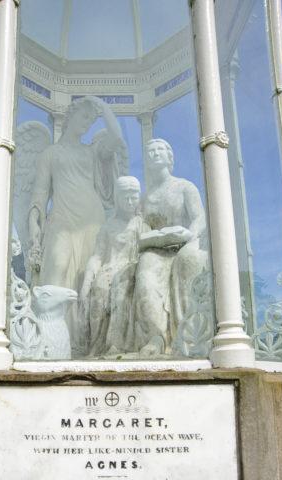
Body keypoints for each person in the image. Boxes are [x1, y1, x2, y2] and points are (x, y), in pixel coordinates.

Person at [28, 96, 125, 294]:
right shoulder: (50, 153)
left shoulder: (92, 152)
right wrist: (33, 223)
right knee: (58, 264)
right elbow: (40, 193)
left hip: (92, 219)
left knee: (89, 278)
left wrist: (104, 107)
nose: (87, 123)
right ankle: (50, 323)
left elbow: (116, 137)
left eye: (91, 121)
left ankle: (83, 324)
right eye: (84, 117)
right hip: (62, 218)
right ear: (71, 116)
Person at [133, 138, 208, 356]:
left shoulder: (185, 187)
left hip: (184, 244)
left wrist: (189, 235)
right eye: (150, 151)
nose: (155, 154)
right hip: (157, 249)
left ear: (169, 157)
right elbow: (140, 229)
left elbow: (200, 218)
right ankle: (157, 337)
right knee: (145, 273)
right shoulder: (145, 198)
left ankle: (188, 335)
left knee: (188, 259)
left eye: (159, 150)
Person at [79, 176, 143, 356]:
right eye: (125, 198)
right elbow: (98, 255)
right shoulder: (108, 226)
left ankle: (117, 345)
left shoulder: (142, 223)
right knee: (98, 290)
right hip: (109, 268)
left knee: (120, 291)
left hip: (132, 268)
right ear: (117, 198)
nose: (130, 202)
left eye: (134, 197)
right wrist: (88, 277)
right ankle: (97, 347)